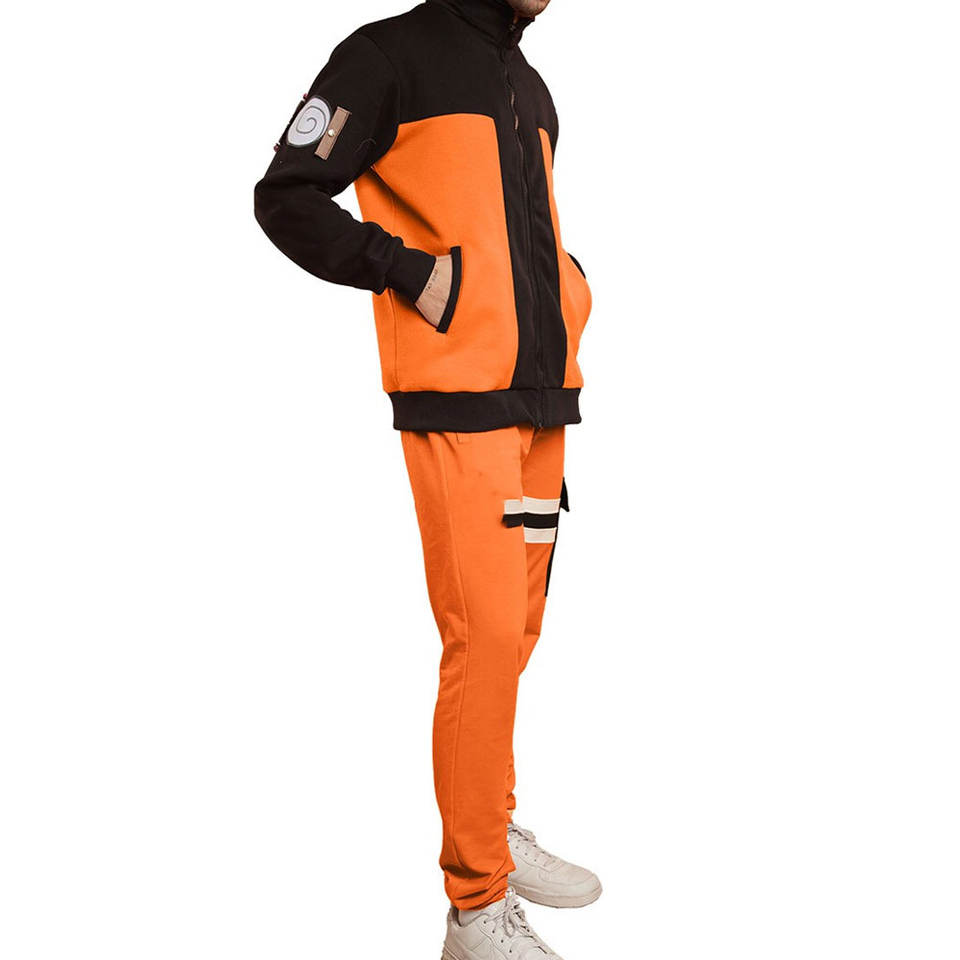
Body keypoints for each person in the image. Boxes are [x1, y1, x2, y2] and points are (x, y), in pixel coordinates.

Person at [253, 1, 596, 955]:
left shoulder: (531, 85)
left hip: (544, 398)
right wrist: (413, 273)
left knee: (514, 634)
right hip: (458, 399)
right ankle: (475, 906)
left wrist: (569, 286)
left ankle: (490, 819)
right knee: (481, 639)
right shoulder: (386, 56)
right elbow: (286, 194)